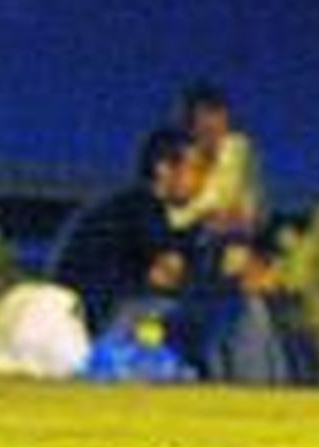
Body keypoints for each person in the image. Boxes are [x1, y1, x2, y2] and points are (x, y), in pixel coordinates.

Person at [49, 128, 208, 335]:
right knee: (207, 317)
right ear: (163, 168)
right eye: (194, 169)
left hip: (81, 314)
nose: (201, 181)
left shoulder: (125, 205)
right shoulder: (142, 208)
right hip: (101, 317)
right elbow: (169, 271)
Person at [168, 82, 267, 243]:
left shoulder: (236, 145)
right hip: (210, 236)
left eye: (215, 116)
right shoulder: (193, 155)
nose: (208, 126)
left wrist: (182, 218)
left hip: (244, 238)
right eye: (197, 121)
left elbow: (221, 199)